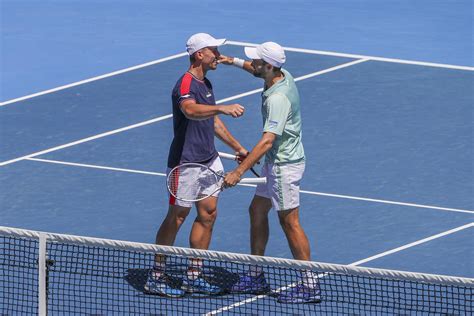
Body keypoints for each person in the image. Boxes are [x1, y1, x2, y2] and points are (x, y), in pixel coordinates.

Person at [144, 33, 249, 298]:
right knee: (177, 216)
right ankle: (156, 276)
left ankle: (194, 275)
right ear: (199, 54)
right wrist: (222, 107)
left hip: (209, 159)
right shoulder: (186, 84)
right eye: (213, 50)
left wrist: (237, 147)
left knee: (208, 214)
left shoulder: (206, 83)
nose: (217, 54)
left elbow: (211, 121)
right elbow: (190, 111)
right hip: (185, 164)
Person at [219, 42, 321, 304]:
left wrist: (239, 171)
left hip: (283, 167)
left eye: (256, 62)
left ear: (270, 66)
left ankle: (309, 286)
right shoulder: (282, 75)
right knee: (256, 210)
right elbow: (255, 69)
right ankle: (255, 275)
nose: (252, 64)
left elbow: (266, 141)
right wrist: (231, 61)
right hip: (275, 162)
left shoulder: (278, 98)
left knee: (290, 222)